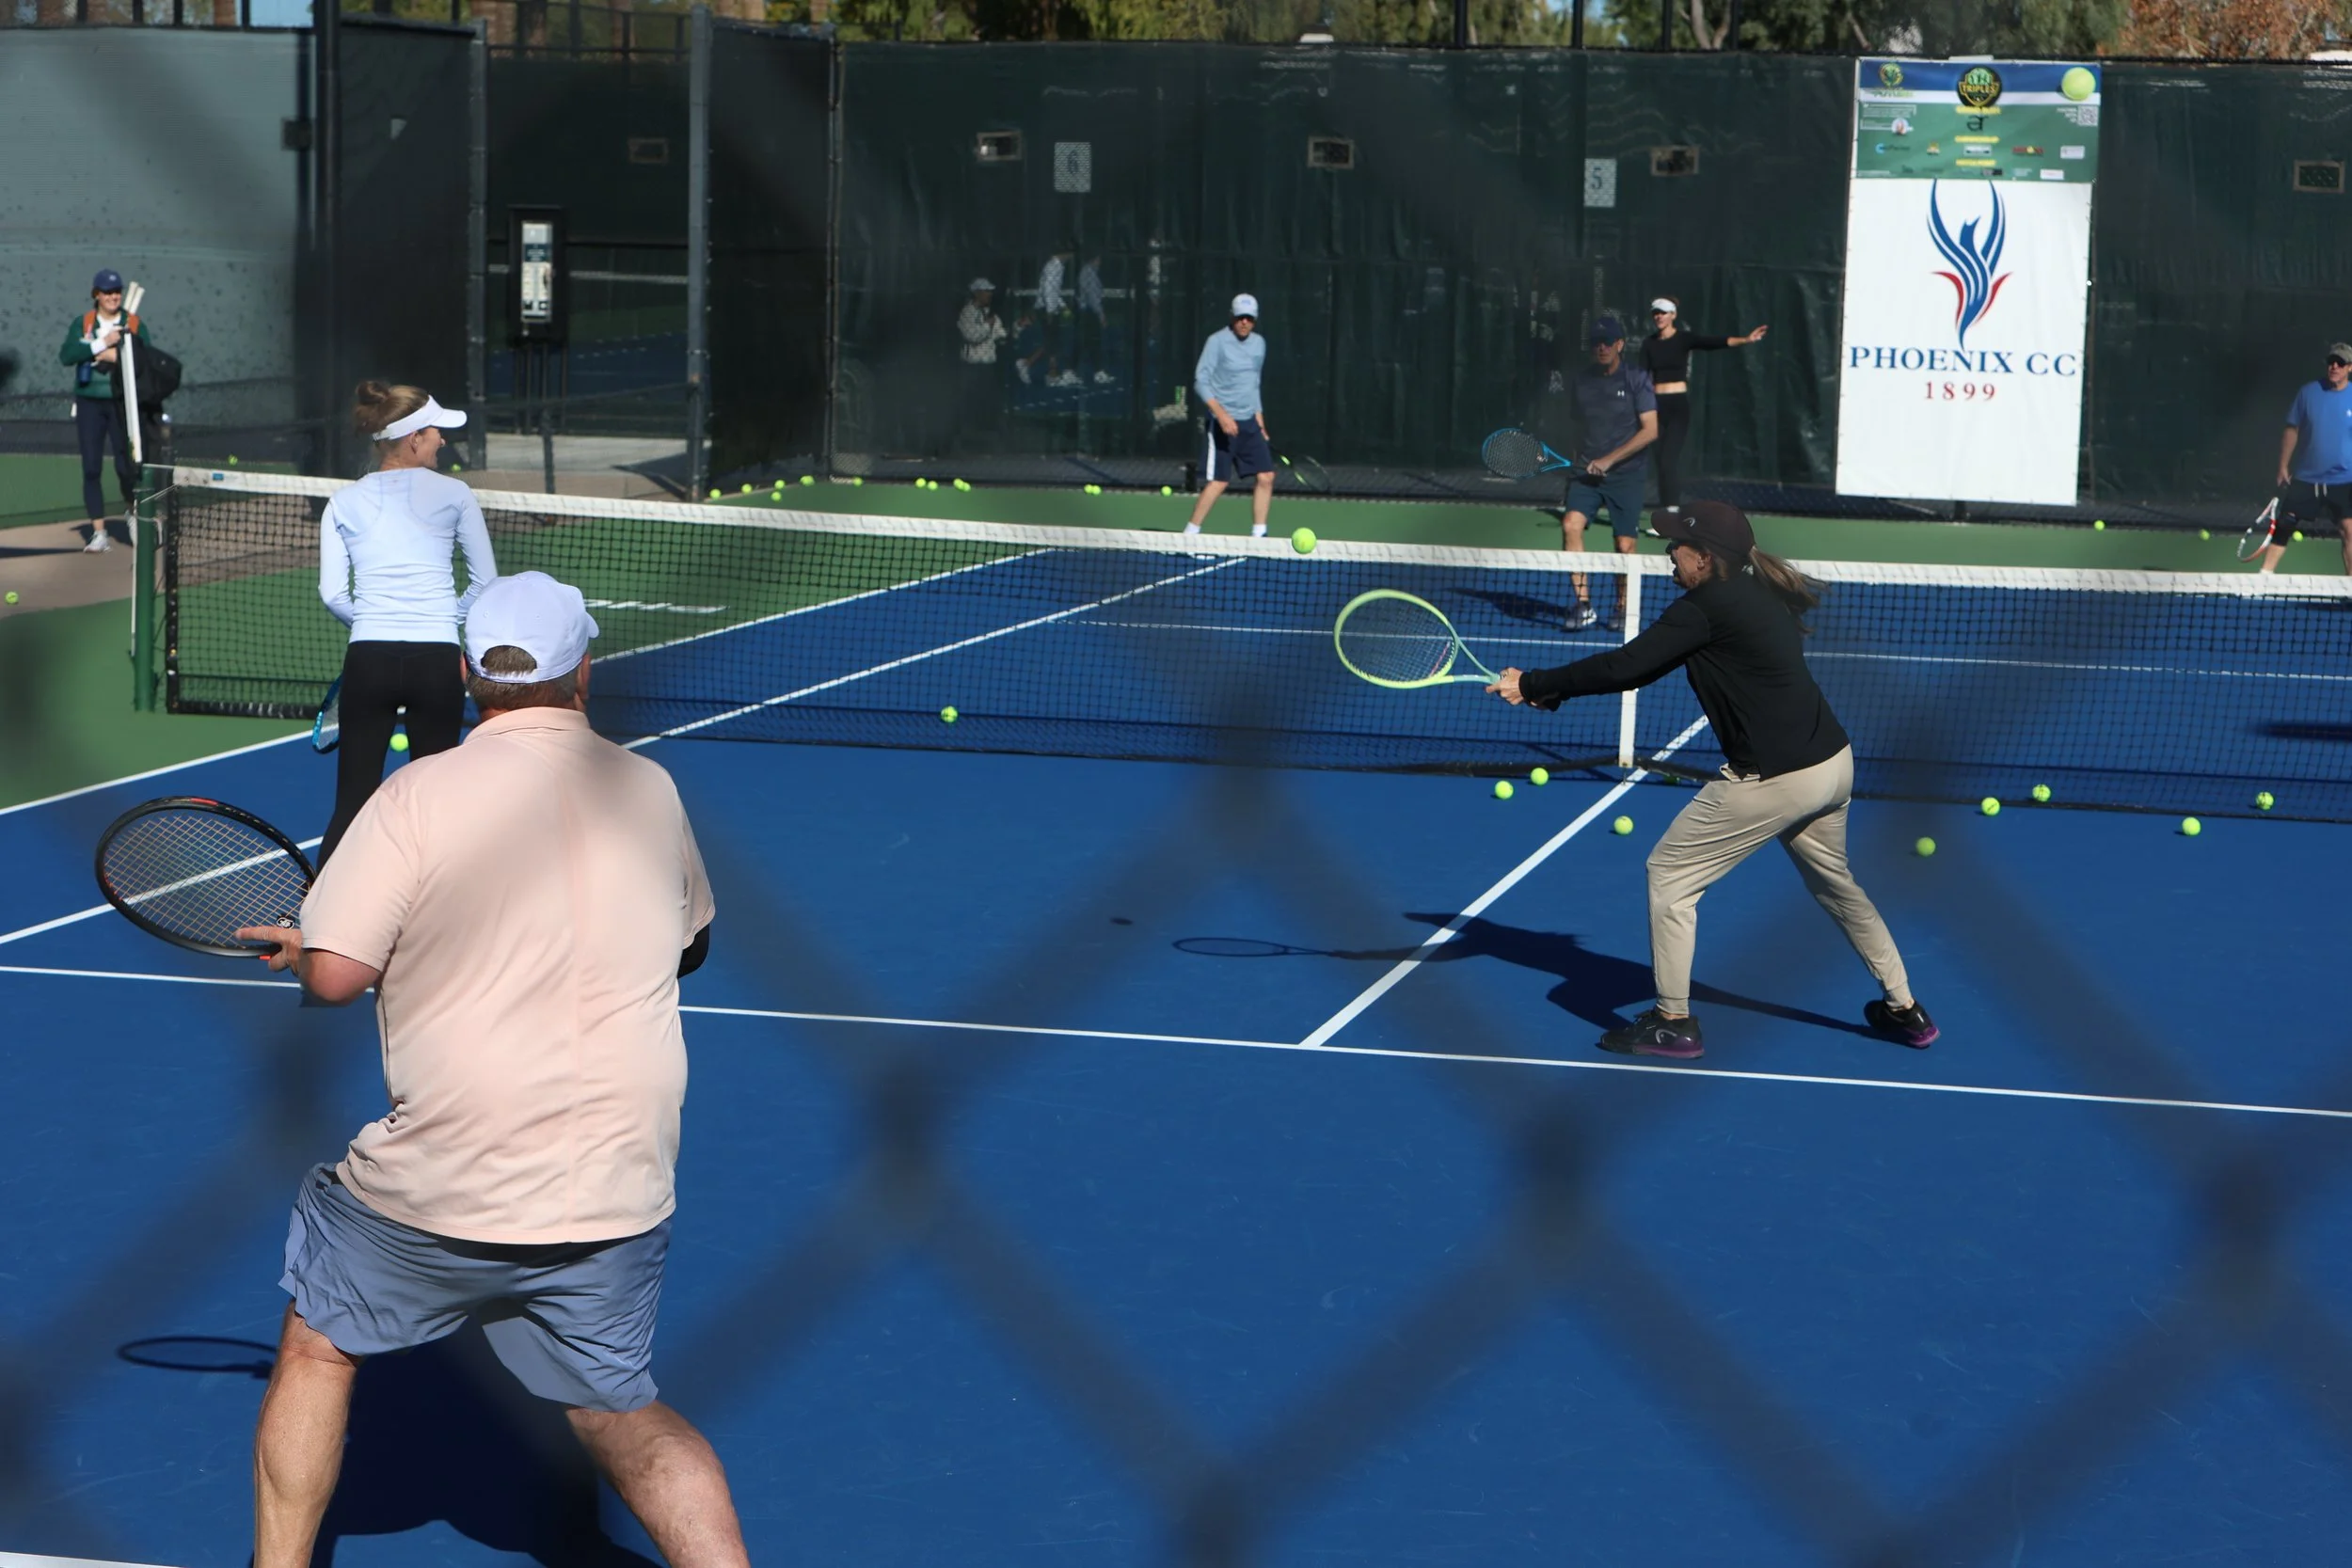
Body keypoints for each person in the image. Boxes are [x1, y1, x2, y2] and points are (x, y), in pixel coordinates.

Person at [235, 570, 742, 1568]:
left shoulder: (416, 793)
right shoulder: (647, 787)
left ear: (470, 676)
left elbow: (338, 976)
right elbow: (691, 943)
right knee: (617, 1408)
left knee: (319, 1347)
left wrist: (307, 951)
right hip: (616, 1175)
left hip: (440, 1177)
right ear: (585, 671)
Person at [1486, 500, 1935, 1062]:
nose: (1667, 551)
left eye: (1676, 545)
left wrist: (1533, 682)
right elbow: (1641, 668)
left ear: (1703, 558)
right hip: (1833, 764)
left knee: (1670, 875)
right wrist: (1543, 688)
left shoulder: (1703, 608)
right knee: (1836, 885)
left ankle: (1672, 1021)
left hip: (1777, 777)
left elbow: (1628, 667)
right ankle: (1904, 1008)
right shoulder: (1757, 591)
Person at [317, 382, 498, 865]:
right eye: (436, 431)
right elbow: (485, 582)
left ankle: (314, 916)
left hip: (368, 659)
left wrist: (377, 622)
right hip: (435, 662)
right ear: (414, 438)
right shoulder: (455, 494)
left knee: (352, 805)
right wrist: (440, 621)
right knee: (436, 805)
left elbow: (333, 594)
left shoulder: (342, 501)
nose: (443, 440)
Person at [1558, 316, 1658, 631]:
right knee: (1570, 524)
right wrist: (1578, 464)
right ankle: (1583, 604)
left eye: (1607, 342)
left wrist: (1610, 460)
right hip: (1585, 473)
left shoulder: (1637, 379)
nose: (1601, 348)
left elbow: (1651, 430)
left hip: (1627, 475)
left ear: (1619, 345)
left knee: (1625, 545)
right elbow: (1577, 428)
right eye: (1596, 343)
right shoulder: (1582, 381)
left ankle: (1622, 607)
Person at [1641, 296, 1768, 508]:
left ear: (1673, 315)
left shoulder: (1684, 339)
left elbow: (1715, 342)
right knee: (1660, 462)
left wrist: (1746, 339)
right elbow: (1642, 376)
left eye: (1663, 313)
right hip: (1655, 407)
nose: (1659, 317)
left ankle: (1672, 512)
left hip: (1678, 407)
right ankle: (1665, 512)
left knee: (1668, 460)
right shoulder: (1648, 344)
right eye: (1656, 313)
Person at [56, 268, 147, 552]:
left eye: (117, 291)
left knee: (125, 466)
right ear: (96, 294)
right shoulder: (83, 323)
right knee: (92, 467)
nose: (113, 296)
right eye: (107, 292)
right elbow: (67, 355)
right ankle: (99, 534)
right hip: (89, 403)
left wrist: (118, 356)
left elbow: (146, 359)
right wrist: (100, 344)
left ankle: (133, 513)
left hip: (122, 402)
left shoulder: (133, 323)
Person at [1183, 293, 1273, 539]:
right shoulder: (1217, 342)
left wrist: (1260, 421)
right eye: (1241, 318)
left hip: (1249, 423)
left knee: (1266, 477)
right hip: (1222, 424)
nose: (1245, 322)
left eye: (1250, 319)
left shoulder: (1259, 344)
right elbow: (1201, 382)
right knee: (1219, 481)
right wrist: (1221, 416)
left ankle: (1259, 536)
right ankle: (1190, 535)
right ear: (1232, 317)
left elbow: (1254, 384)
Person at [2260, 342, 2352, 575]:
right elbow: (2292, 429)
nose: (2334, 366)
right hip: (2306, 478)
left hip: (2344, 479)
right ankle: (2262, 579)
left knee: (2349, 531)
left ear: (2349, 367)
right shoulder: (2308, 392)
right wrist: (2283, 465)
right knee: (2285, 525)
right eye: (2331, 361)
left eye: (2340, 363)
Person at [955, 277, 1009, 437]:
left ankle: (989, 430)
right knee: (969, 401)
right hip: (972, 365)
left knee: (990, 400)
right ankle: (966, 432)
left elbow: (1000, 332)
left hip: (988, 364)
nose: (989, 295)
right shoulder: (967, 312)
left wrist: (1012, 330)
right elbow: (972, 336)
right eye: (986, 291)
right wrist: (988, 326)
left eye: (990, 292)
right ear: (977, 293)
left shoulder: (989, 313)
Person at [1018, 246, 1076, 387]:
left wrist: (1061, 305)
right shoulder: (1053, 267)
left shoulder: (1057, 266)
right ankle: (1043, 370)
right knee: (1052, 342)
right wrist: (1051, 310)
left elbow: (1054, 291)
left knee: (1052, 342)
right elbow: (1048, 290)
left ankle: (1049, 372)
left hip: (1049, 308)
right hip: (1047, 309)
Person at [1076, 252, 1110, 384]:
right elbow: (1093, 296)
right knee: (1094, 341)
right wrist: (1101, 314)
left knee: (1086, 342)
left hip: (1087, 311)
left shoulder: (1088, 271)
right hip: (1089, 312)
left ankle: (1095, 370)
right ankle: (1098, 371)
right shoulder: (1089, 273)